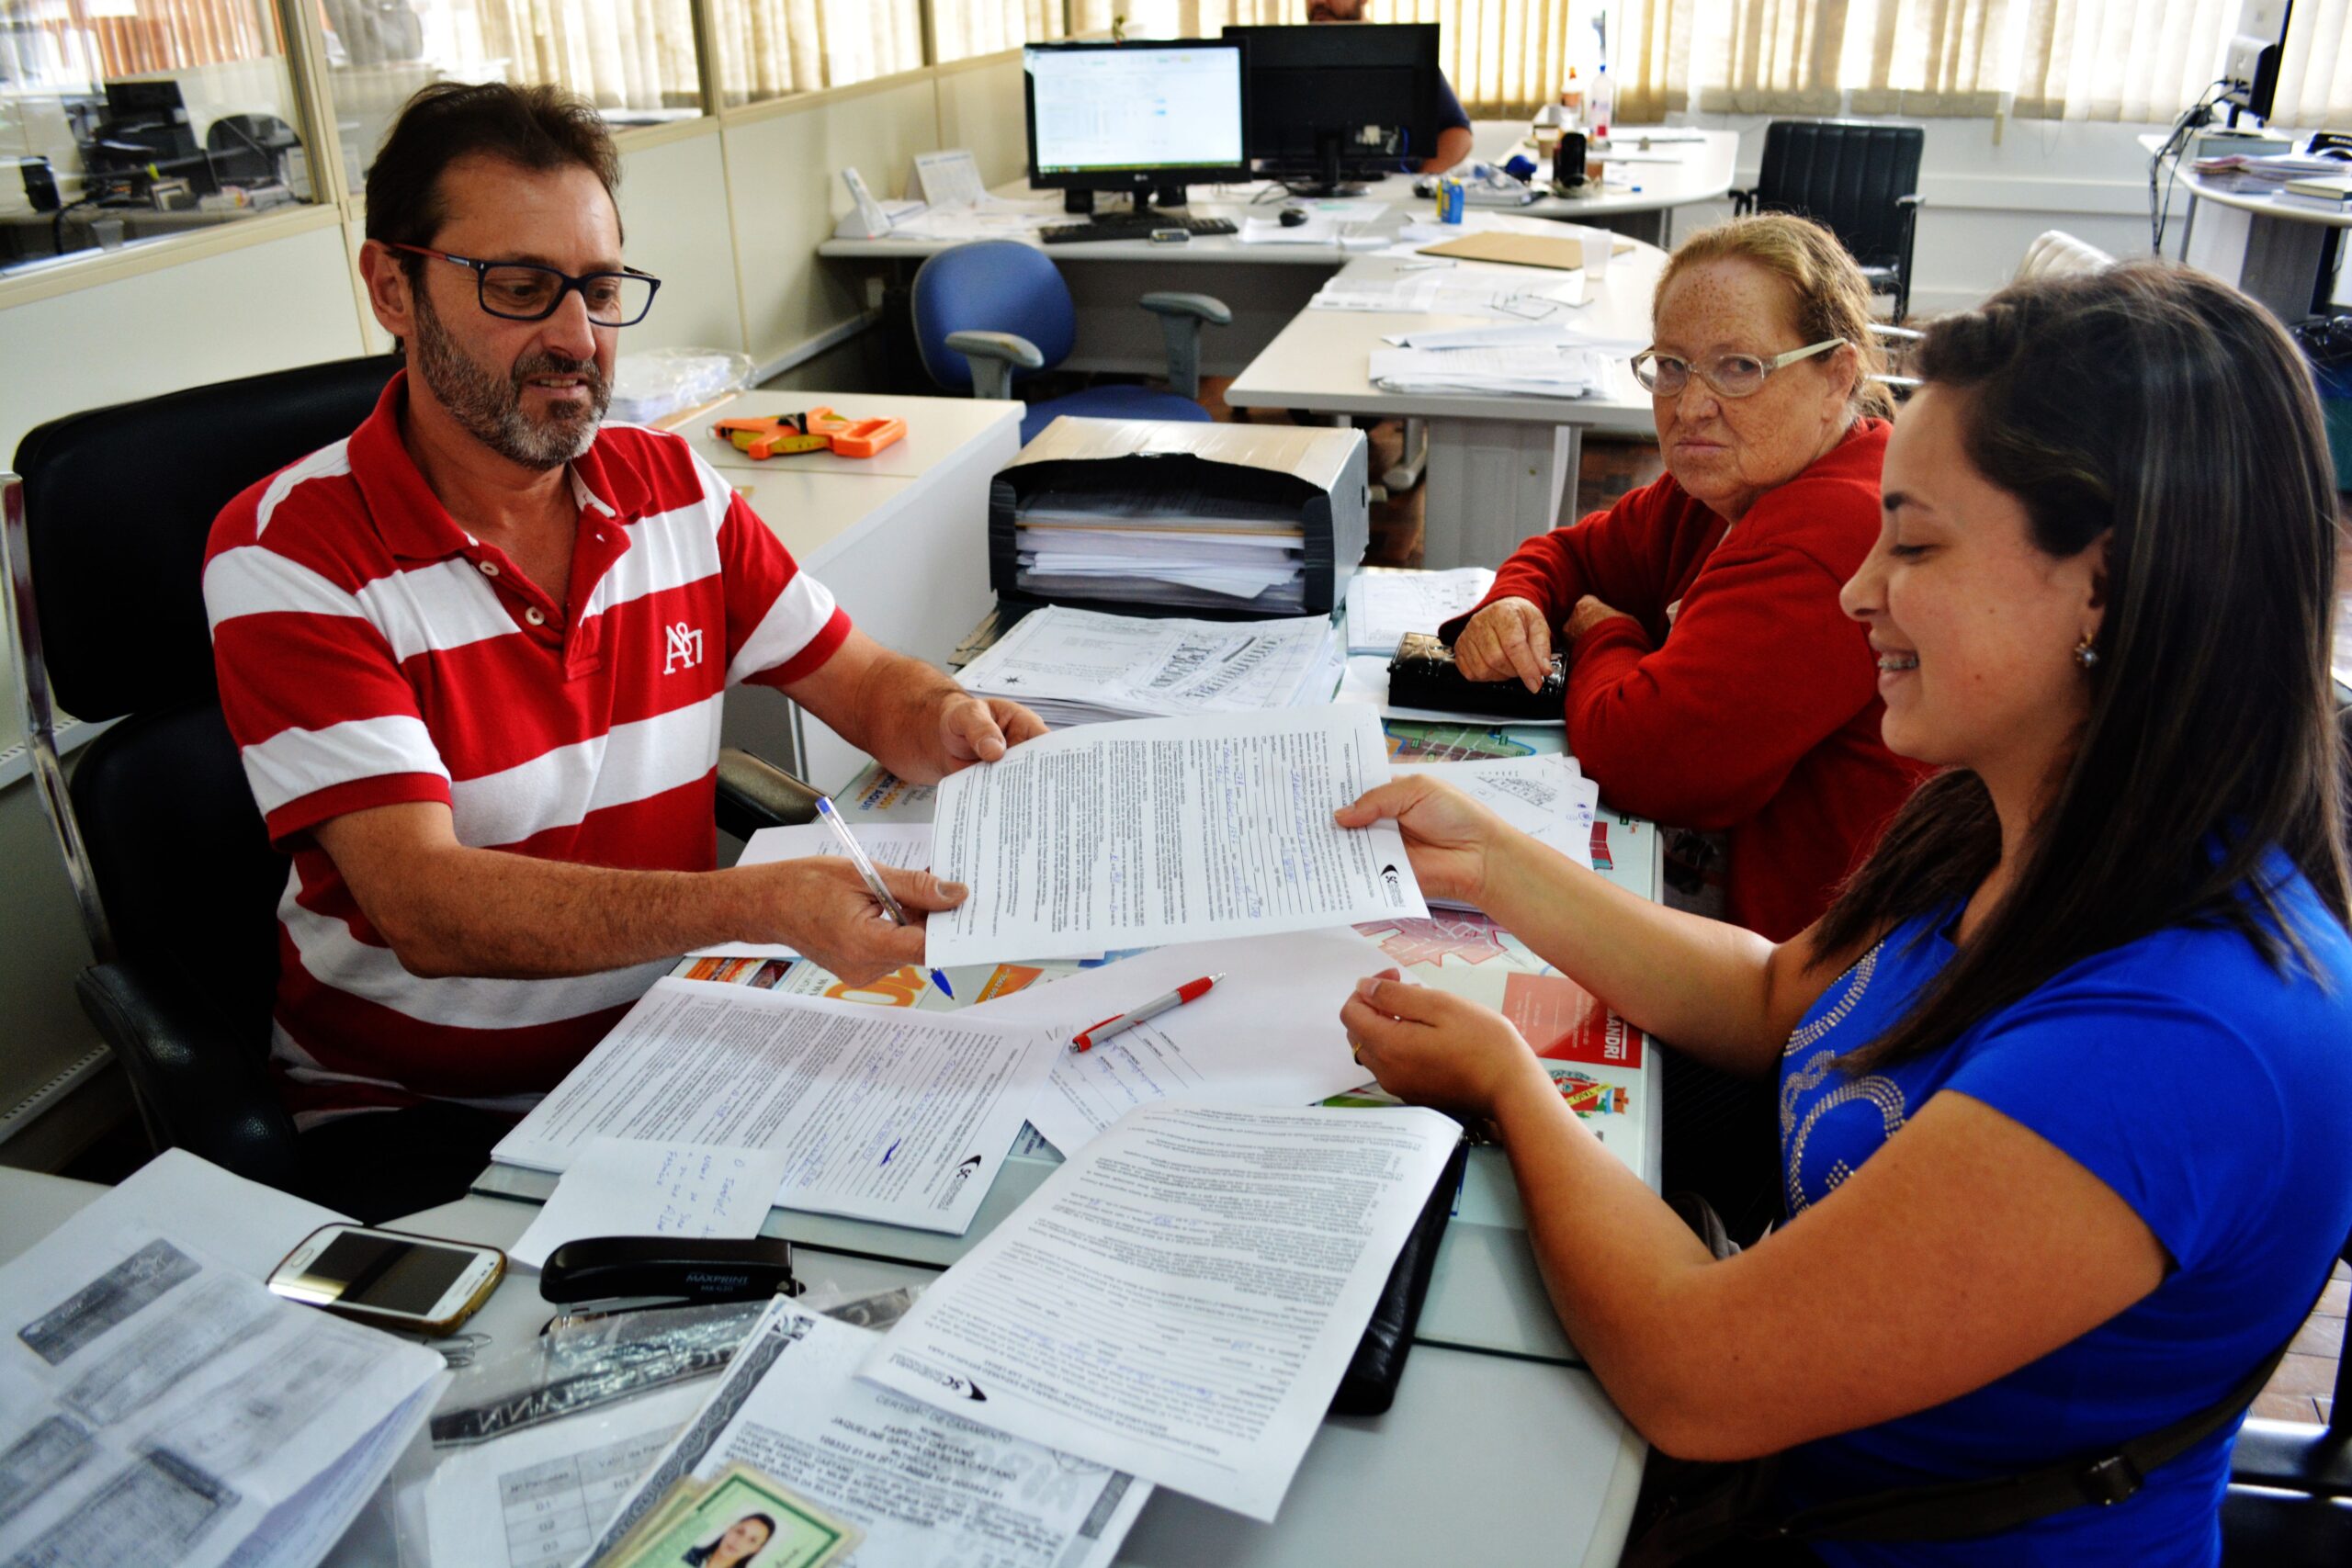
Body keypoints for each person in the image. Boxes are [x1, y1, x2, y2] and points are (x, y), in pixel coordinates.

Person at [1336, 263, 2352, 1564]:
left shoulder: (2181, 1037)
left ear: (2104, 584)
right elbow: (1773, 998)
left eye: (1916, 544)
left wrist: (1506, 1078)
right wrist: (1491, 867)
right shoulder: (2010, 809)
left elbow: (1698, 1372)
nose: (1857, 588)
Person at [202, 83, 1045, 1216]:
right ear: (390, 288)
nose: (574, 338)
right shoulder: (290, 554)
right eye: (518, 287)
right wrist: (758, 905)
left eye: (599, 290)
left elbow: (863, 684)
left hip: (682, 1051)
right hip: (427, 1122)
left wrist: (943, 711)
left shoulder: (668, 487)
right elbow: (427, 909)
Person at [1446, 214, 1928, 944]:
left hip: (1797, 987)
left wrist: (1606, 627)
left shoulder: (1835, 534)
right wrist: (1517, 597)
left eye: (1740, 368)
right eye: (1671, 366)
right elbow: (1571, 553)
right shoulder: (1727, 480)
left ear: (1838, 378)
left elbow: (1642, 755)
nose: (1691, 405)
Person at [1306, 0, 1475, 173]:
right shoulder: (1287, 53)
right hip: (1298, 192)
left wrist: (1422, 178)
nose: (1318, 2)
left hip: (1385, 192)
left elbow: (1458, 133)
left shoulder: (1398, 52)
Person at [684, 1513, 774, 1567]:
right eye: (739, 1532)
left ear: (756, 1549)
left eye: (752, 1540)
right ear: (729, 1529)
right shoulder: (687, 1553)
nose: (739, 1541)